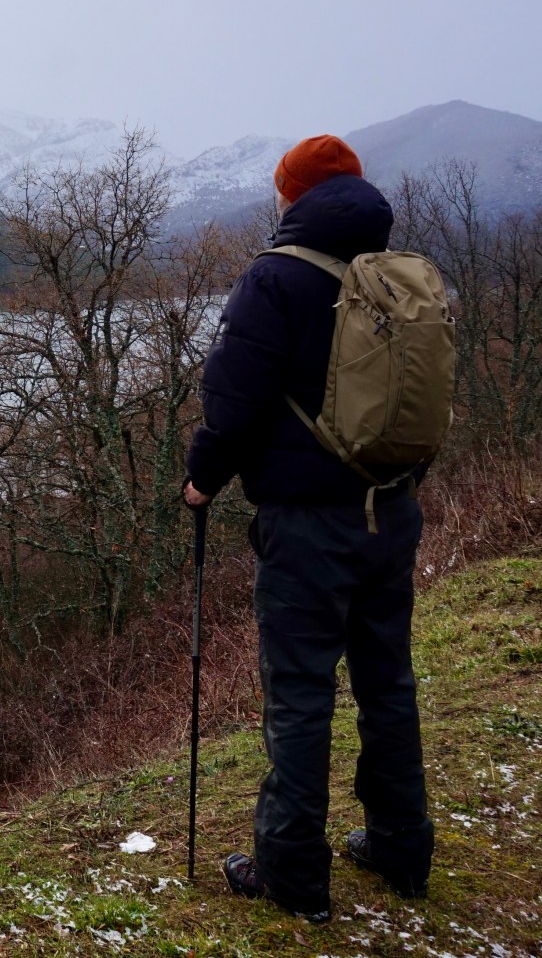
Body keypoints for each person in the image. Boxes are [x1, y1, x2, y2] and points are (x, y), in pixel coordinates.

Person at [181, 134, 435, 923]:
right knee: (387, 683)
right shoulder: (400, 276)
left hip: (306, 528)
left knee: (299, 696)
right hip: (391, 511)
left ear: (291, 197)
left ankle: (292, 873)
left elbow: (234, 399)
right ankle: (401, 847)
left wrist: (201, 478)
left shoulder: (277, 277)